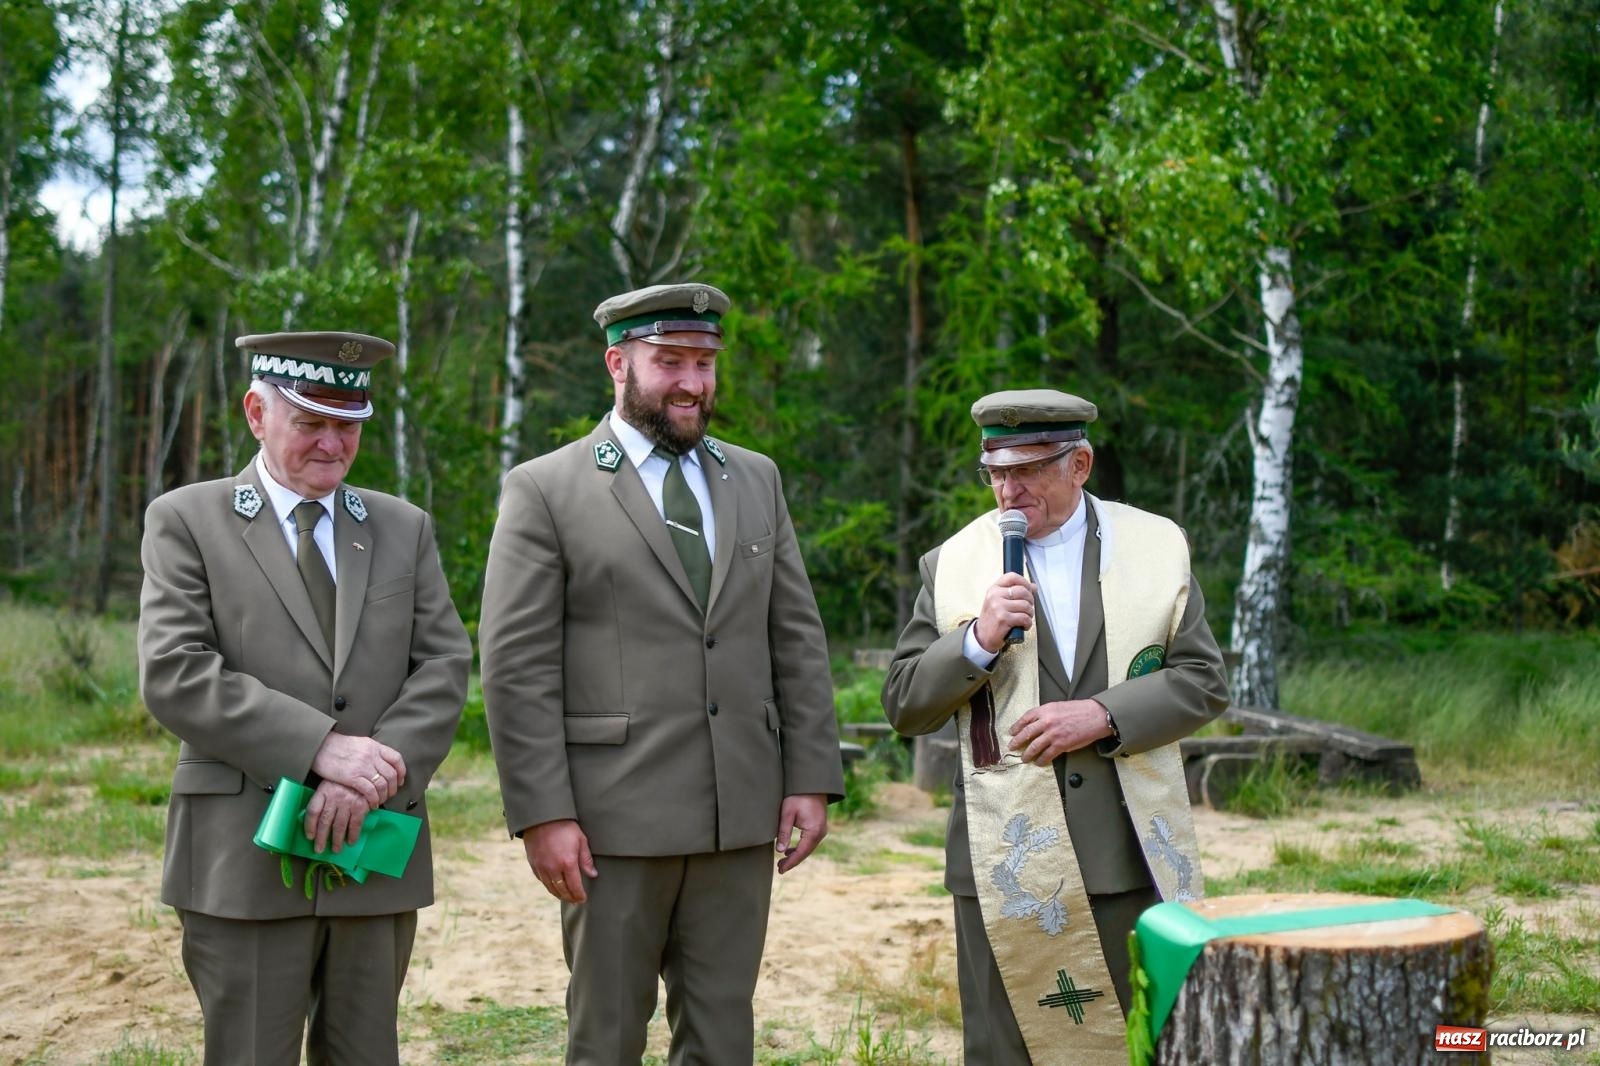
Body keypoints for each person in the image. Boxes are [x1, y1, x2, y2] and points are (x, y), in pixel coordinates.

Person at [479, 282, 844, 1065]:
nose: (692, 382)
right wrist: (543, 813)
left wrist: (810, 777)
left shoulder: (755, 478)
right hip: (612, 825)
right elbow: (516, 669)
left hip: (736, 816)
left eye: (705, 363)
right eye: (669, 361)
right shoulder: (547, 489)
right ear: (618, 363)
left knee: (723, 1036)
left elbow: (796, 638)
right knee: (606, 1035)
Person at [138, 330, 472, 1066]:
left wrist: (372, 775)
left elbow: (444, 664)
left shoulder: (402, 528)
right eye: (310, 423)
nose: (332, 443)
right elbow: (173, 669)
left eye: (347, 424)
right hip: (242, 859)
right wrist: (320, 750)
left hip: (373, 850)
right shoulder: (187, 519)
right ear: (257, 413)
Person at [880, 389, 1228, 1065]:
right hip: (1003, 861)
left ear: (1081, 463)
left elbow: (1203, 680)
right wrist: (976, 641)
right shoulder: (953, 563)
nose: (1009, 490)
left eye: (1030, 469)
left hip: (1126, 852)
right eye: (996, 472)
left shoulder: (1157, 547)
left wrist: (1102, 714)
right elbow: (904, 704)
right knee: (1005, 1052)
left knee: (1141, 1044)